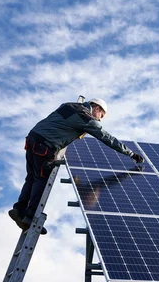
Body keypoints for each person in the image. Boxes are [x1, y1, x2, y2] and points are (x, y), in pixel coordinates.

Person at [8, 98, 144, 234]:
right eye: (101, 116)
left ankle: (19, 209)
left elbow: (61, 123)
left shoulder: (68, 105)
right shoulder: (86, 117)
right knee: (41, 179)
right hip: (46, 145)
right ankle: (30, 216)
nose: (100, 119)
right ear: (96, 108)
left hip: (33, 139)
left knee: (31, 177)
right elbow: (106, 137)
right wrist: (130, 153)